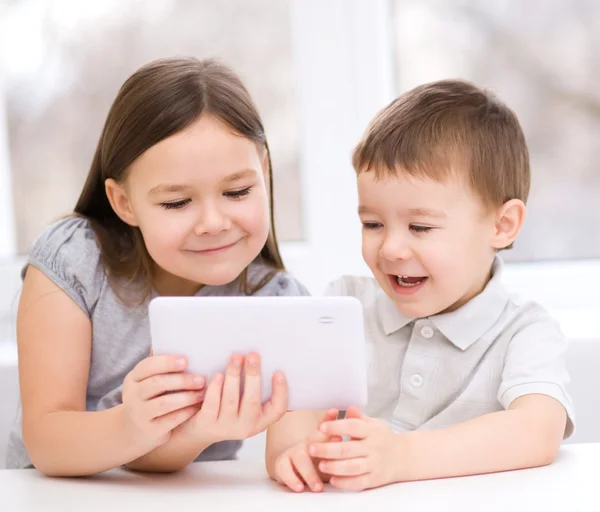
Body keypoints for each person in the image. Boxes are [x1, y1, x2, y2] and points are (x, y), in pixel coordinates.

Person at [266, 79, 574, 492]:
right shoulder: (343, 306)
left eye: (420, 227)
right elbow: (293, 414)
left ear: (502, 226)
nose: (391, 248)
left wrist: (402, 456)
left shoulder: (525, 331)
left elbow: (538, 430)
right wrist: (292, 453)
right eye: (372, 224)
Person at [7, 57, 308, 476]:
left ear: (264, 171)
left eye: (237, 191)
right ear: (124, 202)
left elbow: (294, 450)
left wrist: (303, 456)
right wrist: (131, 425)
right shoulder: (75, 260)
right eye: (177, 202)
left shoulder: (279, 304)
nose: (213, 223)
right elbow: (47, 441)